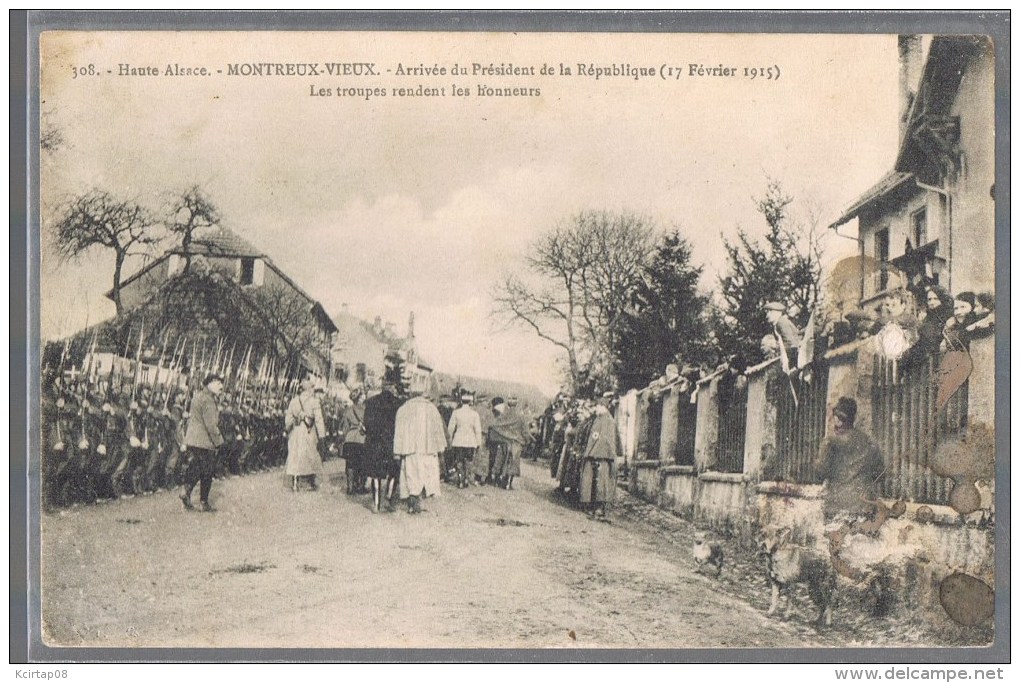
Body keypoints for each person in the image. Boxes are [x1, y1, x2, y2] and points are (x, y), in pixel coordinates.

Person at [813, 397, 885, 526]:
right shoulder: (870, 442)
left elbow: (820, 472)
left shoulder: (830, 441)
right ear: (854, 417)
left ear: (838, 419)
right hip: (864, 507)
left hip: (837, 506)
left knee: (836, 544)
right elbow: (880, 474)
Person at [393, 392, 448, 514]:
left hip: (410, 448)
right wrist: (440, 448)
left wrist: (397, 451)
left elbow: (399, 432)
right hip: (428, 448)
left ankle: (413, 503)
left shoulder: (404, 409)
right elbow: (438, 429)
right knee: (426, 475)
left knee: (411, 475)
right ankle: (419, 501)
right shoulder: (432, 409)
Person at [180, 373, 225, 512]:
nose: (221, 387)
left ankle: (185, 491)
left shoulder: (197, 396)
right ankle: (203, 502)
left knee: (196, 467)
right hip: (205, 441)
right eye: (218, 384)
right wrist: (219, 442)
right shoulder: (209, 400)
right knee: (207, 471)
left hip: (193, 439)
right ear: (210, 383)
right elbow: (211, 425)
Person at [363, 378, 404, 512]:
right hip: (392, 444)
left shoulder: (371, 402)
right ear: (392, 387)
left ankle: (376, 504)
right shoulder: (399, 404)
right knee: (394, 472)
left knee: (376, 474)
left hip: (375, 443)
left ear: (381, 386)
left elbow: (367, 424)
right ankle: (389, 496)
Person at [579, 395, 622, 518]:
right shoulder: (599, 418)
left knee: (601, 483)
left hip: (603, 457)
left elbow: (606, 440)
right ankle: (592, 505)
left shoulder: (608, 421)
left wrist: (597, 453)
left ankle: (599, 508)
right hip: (595, 455)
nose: (595, 409)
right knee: (592, 481)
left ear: (603, 407)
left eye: (597, 406)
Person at [285, 377, 326, 492]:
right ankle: (311, 481)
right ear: (308, 389)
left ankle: (295, 482)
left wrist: (289, 429)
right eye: (312, 387)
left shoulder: (293, 401)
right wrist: (322, 435)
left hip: (296, 431)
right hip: (309, 431)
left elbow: (288, 418)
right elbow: (318, 420)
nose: (313, 390)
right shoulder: (314, 402)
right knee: (310, 455)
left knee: (295, 455)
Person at [489, 396, 530, 490]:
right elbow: (525, 431)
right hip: (516, 442)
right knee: (513, 463)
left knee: (501, 460)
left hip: (504, 441)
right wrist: (527, 441)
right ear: (516, 404)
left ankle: (497, 480)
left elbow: (495, 425)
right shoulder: (521, 416)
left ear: (508, 403)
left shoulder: (503, 415)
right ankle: (508, 483)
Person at [447, 390, 482, 489]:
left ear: (461, 401)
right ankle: (466, 479)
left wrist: (449, 440)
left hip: (458, 440)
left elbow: (451, 428)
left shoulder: (456, 413)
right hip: (470, 441)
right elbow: (478, 429)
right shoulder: (474, 414)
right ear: (470, 402)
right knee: (468, 461)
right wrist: (478, 442)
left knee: (459, 460)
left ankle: (460, 479)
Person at [340, 388, 368, 495]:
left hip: (350, 439)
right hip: (362, 438)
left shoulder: (348, 410)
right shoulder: (365, 410)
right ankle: (361, 486)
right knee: (362, 463)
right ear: (360, 398)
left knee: (350, 464)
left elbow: (344, 428)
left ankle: (350, 487)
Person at [764, 301, 801, 369]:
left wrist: (776, 346)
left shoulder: (781, 323)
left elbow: (791, 344)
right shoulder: (777, 325)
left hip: (797, 357)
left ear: (777, 313)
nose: (767, 315)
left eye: (770, 312)